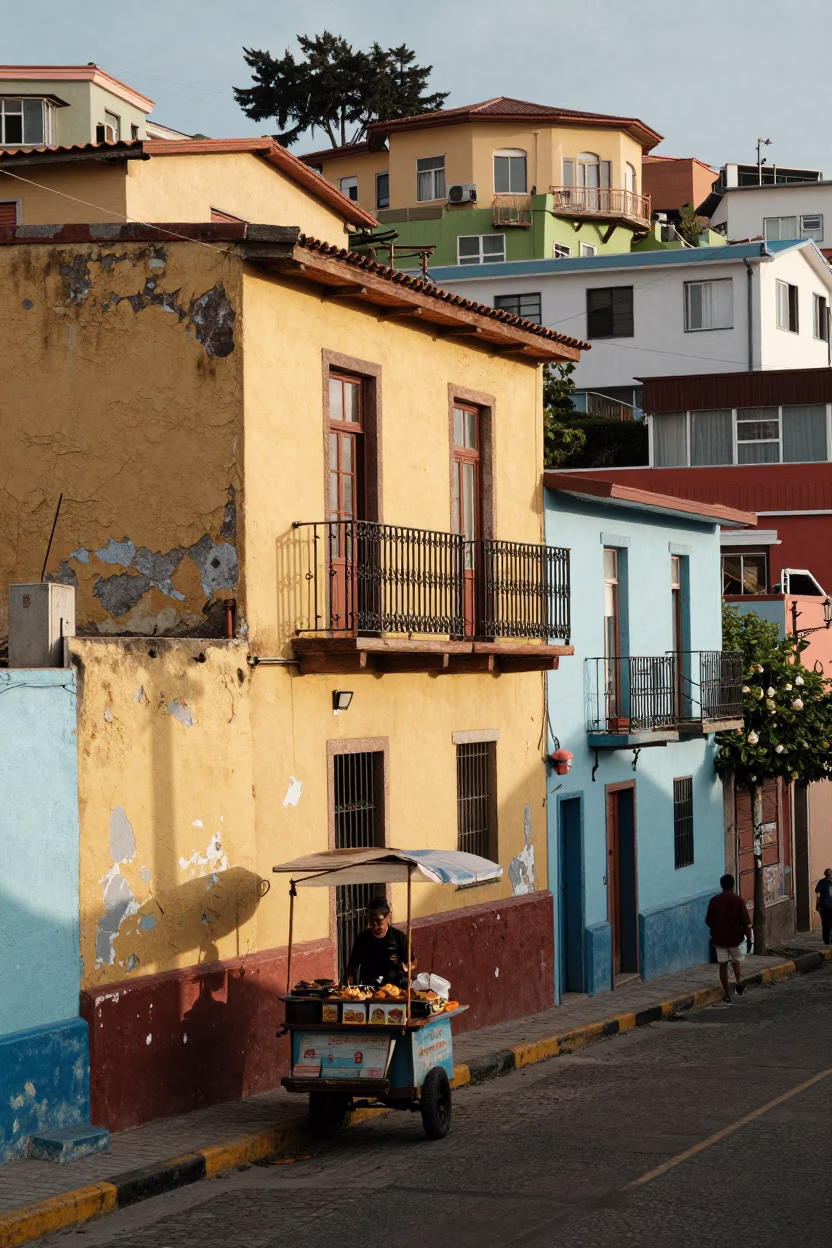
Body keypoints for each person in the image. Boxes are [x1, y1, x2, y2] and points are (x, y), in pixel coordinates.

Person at [345, 897, 415, 988]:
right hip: (369, 989)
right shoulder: (362, 939)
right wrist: (348, 985)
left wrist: (407, 967)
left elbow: (413, 962)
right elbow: (352, 967)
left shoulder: (399, 937)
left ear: (388, 917)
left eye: (379, 921)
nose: (375, 924)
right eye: (371, 921)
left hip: (394, 990)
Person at [705, 874, 751, 1004]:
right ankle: (738, 982)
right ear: (733, 885)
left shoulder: (714, 901)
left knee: (722, 966)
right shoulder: (738, 901)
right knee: (736, 962)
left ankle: (726, 994)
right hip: (735, 938)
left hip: (719, 939)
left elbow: (708, 921)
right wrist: (749, 938)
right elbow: (746, 922)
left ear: (721, 885)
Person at [814, 868, 832, 944]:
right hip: (824, 906)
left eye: (831, 874)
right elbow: (817, 893)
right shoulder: (822, 882)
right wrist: (817, 904)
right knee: (826, 924)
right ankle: (826, 940)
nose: (830, 876)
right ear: (826, 875)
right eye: (829, 874)